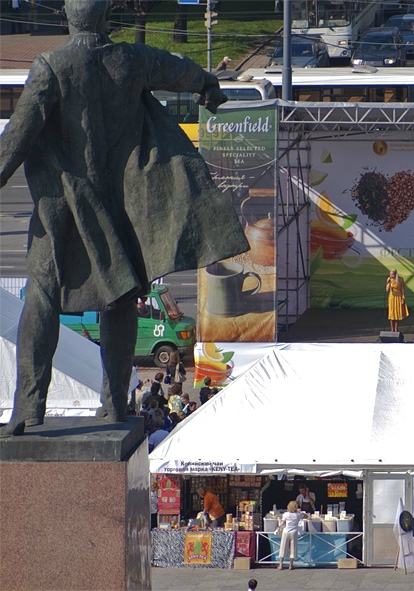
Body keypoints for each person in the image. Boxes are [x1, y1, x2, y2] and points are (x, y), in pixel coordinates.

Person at [0, 0, 243, 438]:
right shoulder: (130, 59)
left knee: (42, 295)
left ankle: (27, 409)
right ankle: (113, 404)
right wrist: (207, 82)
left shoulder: (51, 66)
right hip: (121, 208)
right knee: (118, 298)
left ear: (68, 20)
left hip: (66, 208)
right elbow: (179, 69)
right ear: (105, 20)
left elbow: (16, 137)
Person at [278, 501, 305, 570]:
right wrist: (300, 511)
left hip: (286, 531)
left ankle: (281, 564)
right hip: (294, 531)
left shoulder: (286, 514)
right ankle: (291, 565)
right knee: (293, 548)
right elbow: (306, 516)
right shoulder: (298, 515)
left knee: (283, 547)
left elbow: (283, 523)